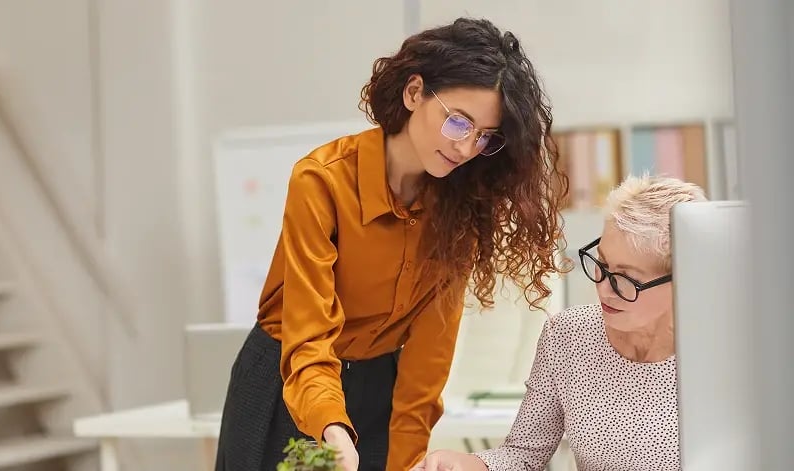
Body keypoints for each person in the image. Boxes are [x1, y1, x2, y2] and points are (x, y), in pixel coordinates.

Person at [214, 17, 569, 471]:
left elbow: (425, 367)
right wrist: (330, 426)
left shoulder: (459, 209)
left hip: (379, 387)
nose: (465, 148)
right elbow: (308, 337)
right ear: (414, 92)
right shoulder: (322, 182)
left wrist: (404, 459)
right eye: (459, 122)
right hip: (288, 383)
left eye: (484, 137)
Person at [412, 175, 707, 471]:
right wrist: (467, 465)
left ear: (683, 279)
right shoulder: (568, 335)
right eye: (602, 265)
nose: (603, 289)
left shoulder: (722, 355)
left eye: (625, 279)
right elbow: (524, 454)